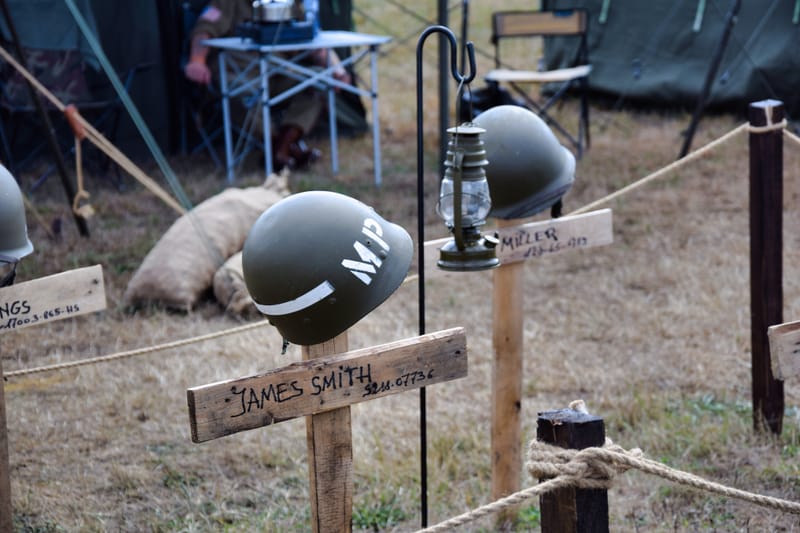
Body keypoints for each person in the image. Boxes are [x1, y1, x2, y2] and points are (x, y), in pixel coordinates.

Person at [184, 0, 351, 171]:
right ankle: (281, 149)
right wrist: (197, 60)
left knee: (321, 81)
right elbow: (204, 29)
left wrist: (337, 70)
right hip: (241, 71)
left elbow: (312, 40)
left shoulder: (287, 4)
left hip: (279, 73)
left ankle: (282, 147)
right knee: (241, 91)